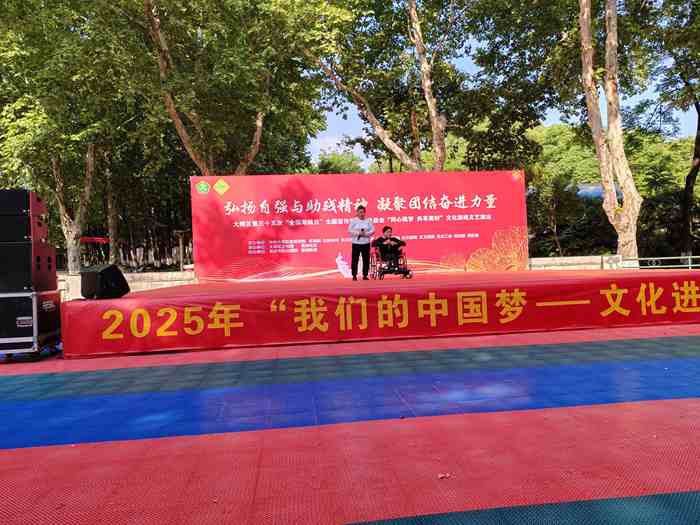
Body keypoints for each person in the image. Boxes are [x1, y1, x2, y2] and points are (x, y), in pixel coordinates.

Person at [348, 205, 374, 280]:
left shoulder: (368, 221)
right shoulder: (354, 221)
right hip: (356, 243)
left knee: (366, 259)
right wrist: (358, 233)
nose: (362, 214)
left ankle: (365, 275)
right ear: (357, 213)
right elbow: (349, 230)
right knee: (355, 259)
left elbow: (373, 230)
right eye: (360, 212)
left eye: (363, 212)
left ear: (365, 213)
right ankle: (354, 275)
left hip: (366, 243)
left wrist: (366, 234)